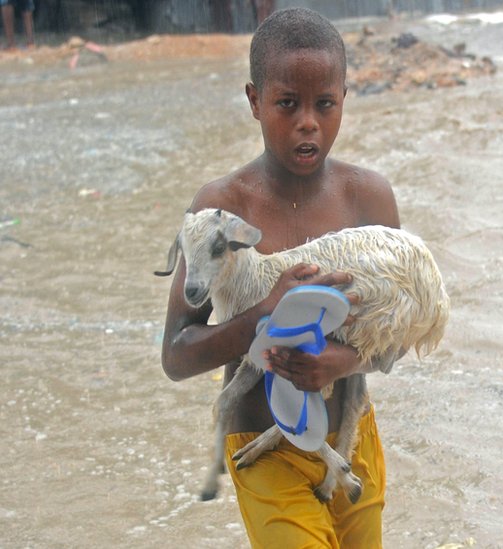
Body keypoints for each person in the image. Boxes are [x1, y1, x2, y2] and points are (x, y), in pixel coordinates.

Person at [161, 8, 399, 547]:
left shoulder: (369, 198)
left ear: (344, 99)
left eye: (325, 104)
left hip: (352, 439)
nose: (307, 122)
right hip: (262, 449)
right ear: (254, 102)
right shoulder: (220, 209)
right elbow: (176, 355)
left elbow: (396, 332)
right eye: (287, 103)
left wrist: (343, 360)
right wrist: (260, 313)